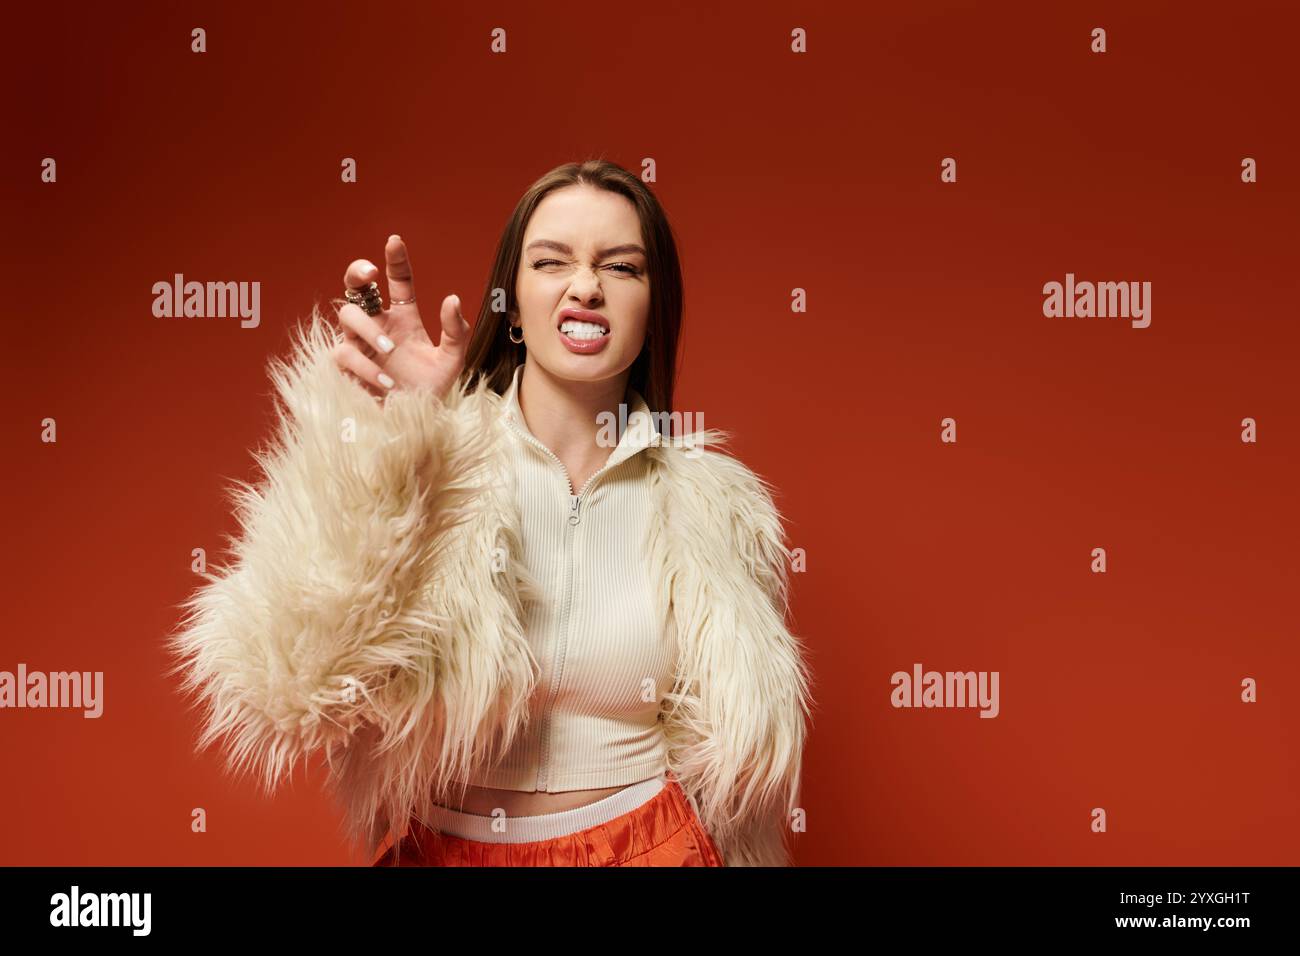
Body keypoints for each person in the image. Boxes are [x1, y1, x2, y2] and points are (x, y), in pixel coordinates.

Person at [166, 159, 813, 866]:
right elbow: (293, 688)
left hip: (651, 848)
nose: (586, 285)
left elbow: (733, 766)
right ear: (513, 300)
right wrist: (397, 445)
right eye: (551, 261)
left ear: (655, 306)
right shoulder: (436, 461)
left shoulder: (714, 506)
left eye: (622, 268)